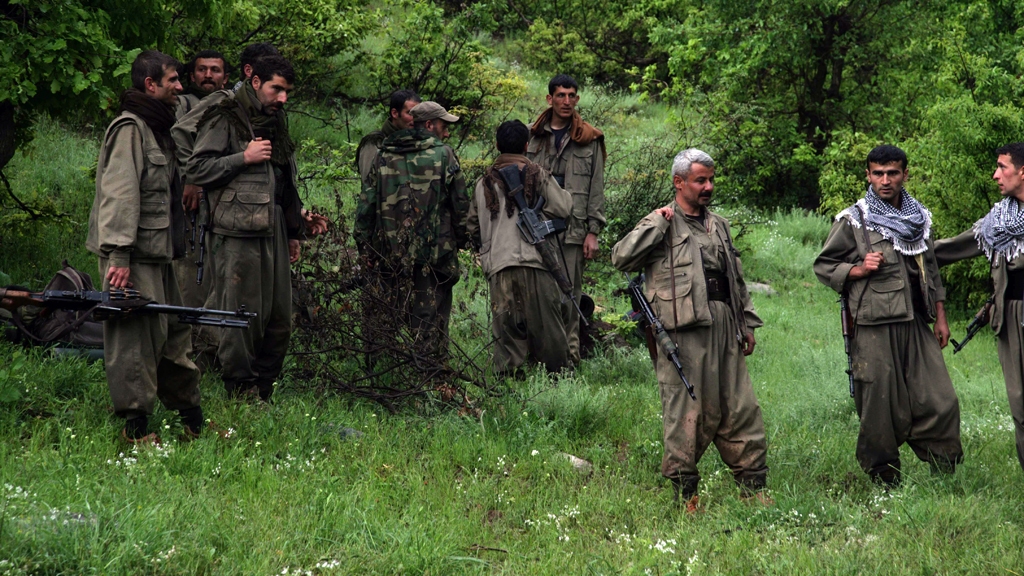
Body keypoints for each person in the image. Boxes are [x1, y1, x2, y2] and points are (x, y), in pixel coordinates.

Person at [611, 148, 770, 510]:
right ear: (679, 182)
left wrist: (746, 323)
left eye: (711, 179)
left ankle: (754, 487)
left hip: (724, 325)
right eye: (701, 180)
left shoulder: (720, 224)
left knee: (740, 405)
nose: (708, 186)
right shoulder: (662, 222)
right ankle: (686, 494)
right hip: (682, 332)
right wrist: (656, 223)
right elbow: (621, 257)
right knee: (686, 410)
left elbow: (736, 280)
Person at [814, 144, 963, 487]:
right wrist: (856, 269)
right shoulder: (854, 220)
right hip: (873, 327)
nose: (885, 180)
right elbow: (823, 266)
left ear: (905, 175)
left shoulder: (918, 218)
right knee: (880, 407)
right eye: (878, 173)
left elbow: (932, 270)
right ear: (868, 175)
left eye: (892, 173)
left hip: (916, 323)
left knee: (941, 399)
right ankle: (885, 479)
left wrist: (940, 315)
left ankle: (944, 474)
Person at [187, 55, 326, 401]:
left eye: (287, 91)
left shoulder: (276, 120)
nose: (283, 98)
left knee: (281, 318)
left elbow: (284, 181)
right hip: (236, 233)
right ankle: (240, 389)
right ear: (255, 82)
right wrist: (242, 158)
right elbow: (197, 169)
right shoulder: (225, 115)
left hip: (274, 227)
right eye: (276, 89)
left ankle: (263, 389)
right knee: (240, 316)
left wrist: (295, 230)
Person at [85, 50, 203, 443]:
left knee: (174, 336)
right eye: (172, 80)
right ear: (150, 84)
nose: (180, 86)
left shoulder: (158, 128)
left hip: (160, 253)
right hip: (132, 257)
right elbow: (119, 194)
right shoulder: (130, 129)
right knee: (135, 341)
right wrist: (118, 255)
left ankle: (192, 422)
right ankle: (132, 432)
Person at [935, 141, 1024, 473]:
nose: (995, 175)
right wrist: (908, 250)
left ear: (1022, 171)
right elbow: (953, 248)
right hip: (1012, 319)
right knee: (1020, 406)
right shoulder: (999, 219)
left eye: (1002, 167)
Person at [354, 101, 469, 356]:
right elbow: (461, 204)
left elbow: (366, 204)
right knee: (430, 324)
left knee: (386, 316)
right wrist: (463, 241)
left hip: (389, 253)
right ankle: (431, 379)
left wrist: (365, 248)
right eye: (444, 126)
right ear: (429, 125)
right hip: (434, 254)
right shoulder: (444, 155)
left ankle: (383, 373)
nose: (447, 133)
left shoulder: (384, 153)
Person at [468, 120, 573, 374]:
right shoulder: (537, 174)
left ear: (496, 145)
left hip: (500, 267)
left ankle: (509, 385)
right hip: (536, 263)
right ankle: (555, 382)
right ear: (527, 145)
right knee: (549, 334)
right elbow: (563, 208)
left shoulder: (482, 184)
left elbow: (472, 226)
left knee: (507, 336)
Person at [527, 74, 606, 364]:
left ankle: (569, 360)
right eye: (560, 95)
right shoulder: (532, 135)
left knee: (569, 296)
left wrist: (593, 231)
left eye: (572, 95)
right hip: (538, 229)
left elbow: (596, 187)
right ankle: (541, 357)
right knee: (539, 294)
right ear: (550, 98)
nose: (566, 101)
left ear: (577, 99)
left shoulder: (589, 138)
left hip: (573, 230)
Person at [356, 89, 422, 188]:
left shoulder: (417, 140)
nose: (415, 119)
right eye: (410, 113)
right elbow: (368, 185)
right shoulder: (374, 142)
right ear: (395, 113)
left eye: (418, 114)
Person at [175, 50, 229, 119]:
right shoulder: (178, 104)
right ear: (192, 76)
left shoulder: (235, 107)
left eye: (215, 70)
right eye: (202, 69)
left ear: (225, 78)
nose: (208, 75)